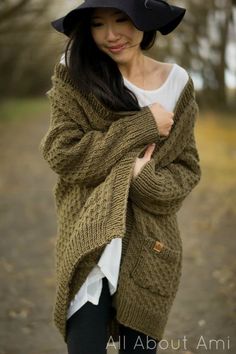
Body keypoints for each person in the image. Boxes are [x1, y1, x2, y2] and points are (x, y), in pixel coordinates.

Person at [39, 1, 201, 354]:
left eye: (122, 19)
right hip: (88, 240)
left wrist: (145, 180)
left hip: (151, 247)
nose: (111, 35)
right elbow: (63, 153)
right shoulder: (74, 73)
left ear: (144, 21)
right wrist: (144, 126)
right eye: (98, 24)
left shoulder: (178, 83)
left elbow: (187, 168)